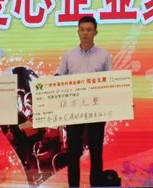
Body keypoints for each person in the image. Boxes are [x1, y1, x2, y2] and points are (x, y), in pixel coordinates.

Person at [55, 15, 113, 188]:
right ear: (78, 32)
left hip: (97, 110)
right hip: (74, 111)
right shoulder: (68, 55)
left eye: (89, 30)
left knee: (96, 152)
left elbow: (113, 81)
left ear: (95, 32)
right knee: (73, 153)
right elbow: (59, 76)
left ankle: (96, 185)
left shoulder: (104, 55)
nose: (85, 33)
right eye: (82, 30)